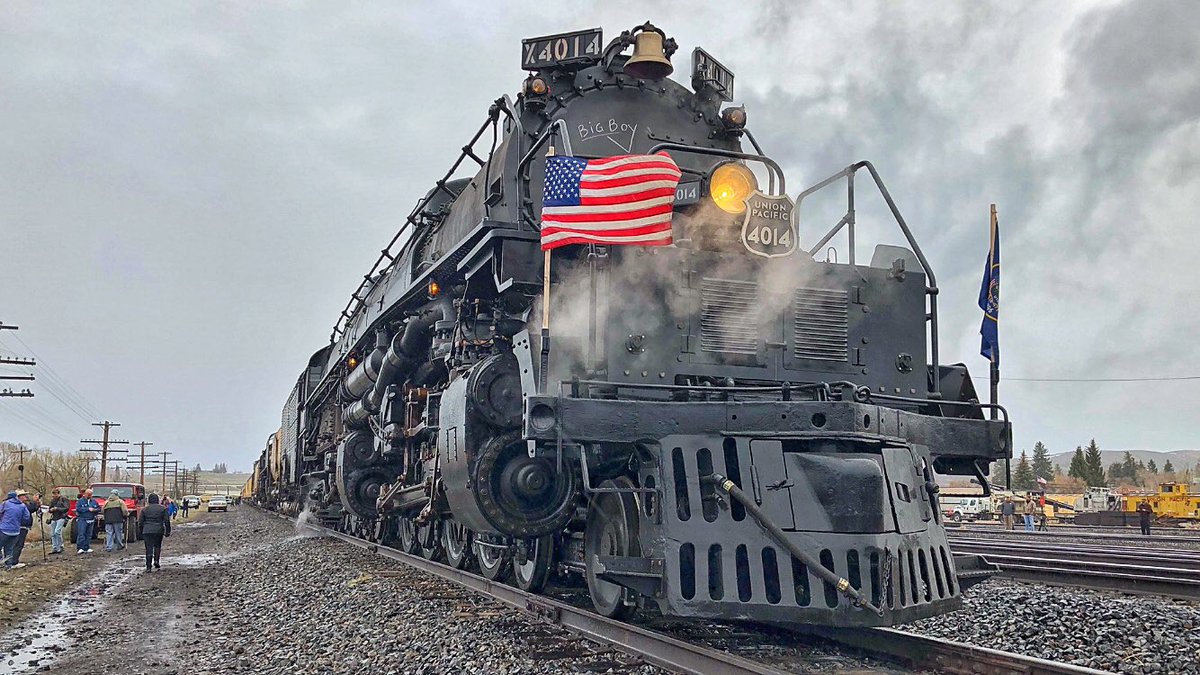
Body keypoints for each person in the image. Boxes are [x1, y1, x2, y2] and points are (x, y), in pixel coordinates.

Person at [138, 493, 171, 572]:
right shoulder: (163, 509)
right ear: (157, 500)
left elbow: (140, 522)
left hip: (147, 531)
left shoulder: (144, 509)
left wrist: (141, 532)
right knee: (157, 546)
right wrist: (168, 531)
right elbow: (167, 521)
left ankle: (148, 567)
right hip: (158, 530)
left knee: (148, 548)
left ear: (149, 500)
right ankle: (156, 561)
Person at [0, 491, 32, 569]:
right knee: (9, 549)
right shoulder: (22, 506)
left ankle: (1, 562)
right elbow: (26, 517)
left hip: (4, 529)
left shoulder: (5, 504)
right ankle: (8, 566)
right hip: (16, 531)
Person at [10, 491, 40, 568]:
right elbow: (30, 509)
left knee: (16, 544)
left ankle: (11, 561)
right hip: (21, 527)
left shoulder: (16, 504)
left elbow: (32, 509)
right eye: (24, 495)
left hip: (20, 527)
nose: (26, 497)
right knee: (18, 544)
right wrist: (34, 501)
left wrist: (36, 504)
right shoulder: (19, 505)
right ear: (19, 497)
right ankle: (13, 562)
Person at [75, 488, 100, 554]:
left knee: (89, 534)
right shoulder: (80, 501)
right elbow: (78, 509)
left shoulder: (94, 501)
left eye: (90, 495)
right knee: (81, 533)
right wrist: (87, 509)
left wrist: (94, 510)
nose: (89, 496)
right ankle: (80, 547)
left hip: (91, 519)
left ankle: (87, 547)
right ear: (85, 494)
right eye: (88, 494)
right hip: (82, 519)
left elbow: (99, 509)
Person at [48, 489, 69, 554]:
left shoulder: (64, 499)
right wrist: (51, 510)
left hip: (61, 517)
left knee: (57, 532)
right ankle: (55, 547)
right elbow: (49, 509)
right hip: (54, 517)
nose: (54, 496)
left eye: (55, 494)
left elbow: (66, 508)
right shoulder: (53, 500)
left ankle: (60, 546)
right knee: (53, 533)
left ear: (59, 494)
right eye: (53, 494)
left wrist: (57, 508)